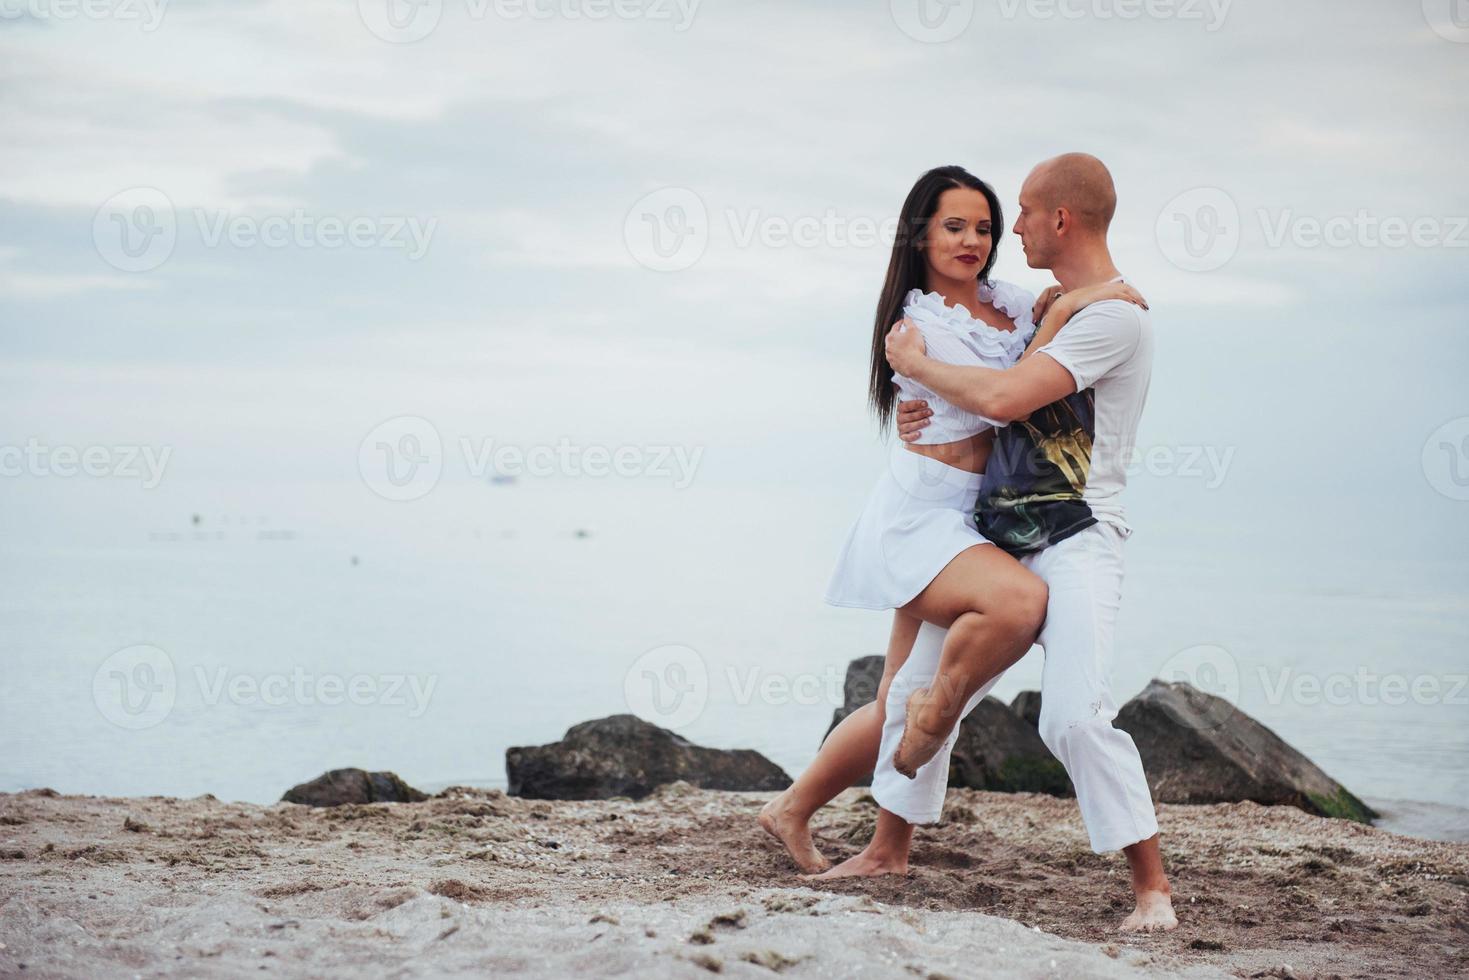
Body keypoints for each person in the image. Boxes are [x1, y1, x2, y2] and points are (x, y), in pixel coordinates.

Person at [759, 164, 1144, 884]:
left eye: (985, 227)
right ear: (920, 235)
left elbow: (1050, 329)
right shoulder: (919, 325)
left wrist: (1083, 298)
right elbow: (1006, 396)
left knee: (894, 697)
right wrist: (1062, 314)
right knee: (1012, 609)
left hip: (975, 515)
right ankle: (881, 800)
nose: (973, 240)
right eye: (953, 226)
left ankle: (815, 818)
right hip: (925, 514)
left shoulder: (1010, 302)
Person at [879, 152, 1178, 932]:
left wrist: (916, 363)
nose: (1006, 230)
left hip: (1076, 535)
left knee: (1071, 719)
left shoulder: (1115, 318)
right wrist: (923, 426)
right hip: (1004, 529)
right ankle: (886, 849)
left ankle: (1152, 890)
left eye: (1017, 212)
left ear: (1059, 219)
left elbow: (1010, 397)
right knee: (911, 690)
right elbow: (1004, 394)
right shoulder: (1062, 309)